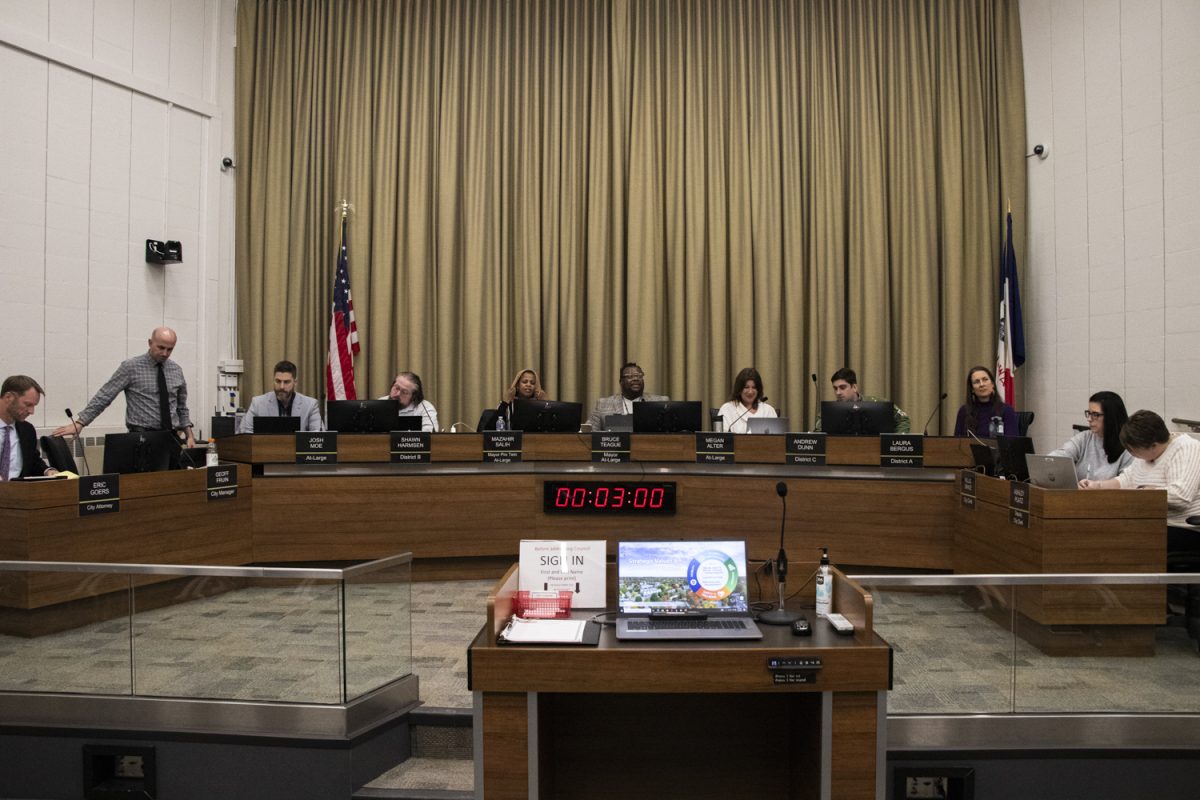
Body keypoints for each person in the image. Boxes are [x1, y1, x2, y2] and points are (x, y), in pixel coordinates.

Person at [52, 326, 195, 446]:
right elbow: (105, 395)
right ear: (150, 343)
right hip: (142, 437)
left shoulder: (176, 370)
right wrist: (80, 423)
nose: (165, 353)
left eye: (170, 349)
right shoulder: (131, 367)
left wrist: (189, 435)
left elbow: (181, 407)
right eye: (161, 347)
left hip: (171, 437)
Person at [1080, 410, 1200, 531]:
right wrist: (1098, 486)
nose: (1131, 454)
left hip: (1180, 527)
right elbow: (1127, 479)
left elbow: (1180, 497)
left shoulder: (1186, 448)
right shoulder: (1146, 454)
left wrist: (1145, 492)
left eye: (1133, 450)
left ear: (1153, 445)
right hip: (1151, 523)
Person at [1048, 390, 1133, 483]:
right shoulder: (1084, 437)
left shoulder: (1129, 447)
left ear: (1111, 416)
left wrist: (1097, 486)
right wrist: (1047, 462)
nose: (1089, 419)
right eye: (1089, 413)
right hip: (1078, 496)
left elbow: (1126, 483)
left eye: (1095, 415)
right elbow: (1060, 455)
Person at [813, 368, 911, 433]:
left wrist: (894, 442)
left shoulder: (878, 404)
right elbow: (818, 433)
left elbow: (903, 419)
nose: (838, 392)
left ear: (854, 387)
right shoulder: (829, 412)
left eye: (842, 387)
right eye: (835, 388)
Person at [238, 360, 324, 433]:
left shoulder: (310, 405)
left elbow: (318, 437)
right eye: (278, 381)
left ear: (295, 382)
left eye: (286, 382)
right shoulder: (258, 403)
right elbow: (244, 435)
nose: (281, 386)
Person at [1, 375, 59, 479]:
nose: (31, 412)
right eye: (28, 405)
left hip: (18, 491)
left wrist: (48, 471)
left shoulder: (27, 430)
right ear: (8, 397)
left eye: (34, 406)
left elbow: (33, 462)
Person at [587, 362, 669, 431]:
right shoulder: (603, 404)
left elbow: (671, 433)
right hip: (616, 448)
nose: (636, 379)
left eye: (639, 376)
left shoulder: (660, 402)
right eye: (630, 376)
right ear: (621, 382)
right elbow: (588, 433)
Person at [953, 365, 1017, 438]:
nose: (982, 384)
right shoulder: (964, 411)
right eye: (976, 382)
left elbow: (1012, 444)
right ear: (972, 389)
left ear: (992, 384)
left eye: (985, 379)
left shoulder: (1006, 410)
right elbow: (956, 442)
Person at [716, 367, 777, 434]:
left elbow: (778, 440)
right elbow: (722, 440)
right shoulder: (727, 409)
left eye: (754, 387)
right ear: (739, 389)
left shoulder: (768, 410)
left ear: (758, 390)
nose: (750, 392)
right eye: (746, 387)